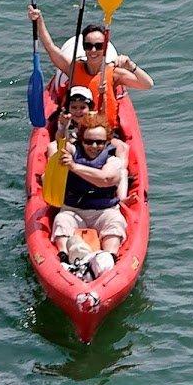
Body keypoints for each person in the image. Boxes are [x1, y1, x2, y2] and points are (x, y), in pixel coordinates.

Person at [48, 116, 128, 276]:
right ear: (81, 140)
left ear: (107, 142)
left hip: (104, 211)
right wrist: (62, 128)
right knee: (62, 220)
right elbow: (61, 143)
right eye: (89, 141)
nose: (94, 146)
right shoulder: (73, 151)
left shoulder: (113, 160)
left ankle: (108, 259)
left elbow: (105, 179)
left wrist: (74, 167)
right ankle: (65, 261)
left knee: (116, 221)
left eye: (99, 142)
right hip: (74, 209)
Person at [28, 5, 154, 105]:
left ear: (105, 48)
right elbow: (50, 48)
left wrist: (131, 65)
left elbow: (147, 84)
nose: (93, 50)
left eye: (98, 46)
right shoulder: (72, 68)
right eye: (89, 46)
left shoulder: (114, 73)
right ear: (84, 48)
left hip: (101, 130)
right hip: (77, 126)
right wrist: (39, 20)